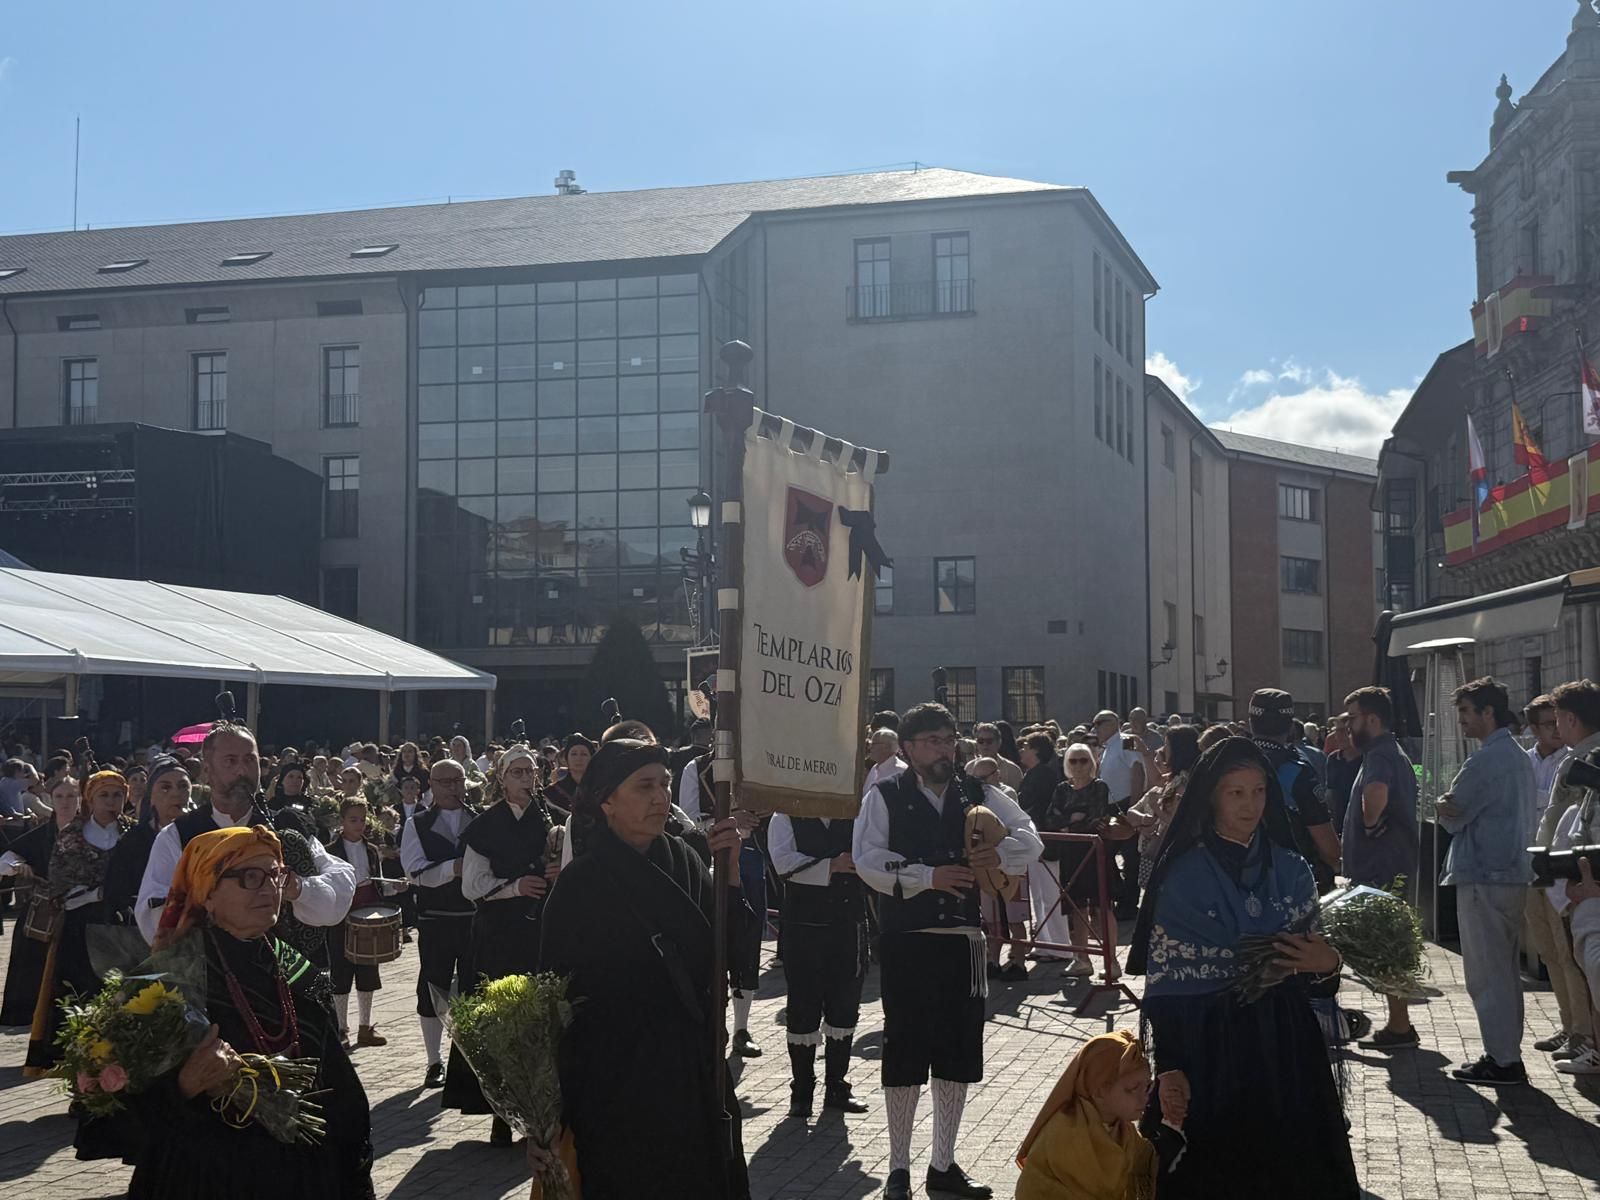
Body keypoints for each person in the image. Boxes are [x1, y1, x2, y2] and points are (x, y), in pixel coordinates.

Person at [1127, 737, 1359, 1198]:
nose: (1249, 804)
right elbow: (1166, 986)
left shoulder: (1293, 869)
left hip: (1285, 1046)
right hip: (1208, 1049)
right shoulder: (1181, 877)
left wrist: (1329, 963)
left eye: (1258, 791)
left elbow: (1316, 980)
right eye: (1236, 792)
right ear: (1211, 796)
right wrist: (1169, 1065)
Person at [538, 738, 752, 1199]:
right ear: (607, 801)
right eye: (644, 786)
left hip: (694, 1071)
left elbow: (728, 955)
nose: (661, 797)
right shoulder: (580, 884)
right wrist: (547, 1115)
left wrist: (731, 874)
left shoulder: (687, 860)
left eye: (665, 784)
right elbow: (552, 1003)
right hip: (615, 1084)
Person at [853, 702, 1043, 1200]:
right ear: (908, 748)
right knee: (905, 1048)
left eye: (949, 739)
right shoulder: (884, 794)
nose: (944, 749)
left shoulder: (977, 792)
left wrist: (999, 852)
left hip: (963, 942)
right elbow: (867, 858)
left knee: (957, 1050)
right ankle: (898, 1168)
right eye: (932, 741)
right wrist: (926, 877)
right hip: (907, 940)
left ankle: (943, 1163)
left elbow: (1031, 838)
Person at [127, 825, 374, 1198]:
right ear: (208, 893)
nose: (269, 887)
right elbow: (121, 1109)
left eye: (275, 874)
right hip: (208, 1177)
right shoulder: (166, 980)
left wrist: (353, 1169)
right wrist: (183, 1087)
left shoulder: (295, 968)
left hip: (304, 1171)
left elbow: (337, 1082)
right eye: (250, 877)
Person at [134, 724, 356, 946]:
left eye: (250, 760)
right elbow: (152, 919)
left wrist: (297, 887)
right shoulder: (179, 835)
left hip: (283, 963)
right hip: (210, 963)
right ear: (208, 770)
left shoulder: (286, 826)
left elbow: (340, 887)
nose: (242, 771)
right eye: (230, 761)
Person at [444, 743, 556, 1143]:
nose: (525, 779)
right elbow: (472, 886)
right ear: (502, 779)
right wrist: (515, 887)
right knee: (500, 1018)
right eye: (517, 773)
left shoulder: (550, 819)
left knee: (538, 1020)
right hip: (498, 935)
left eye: (530, 772)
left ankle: (539, 1111)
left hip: (540, 932)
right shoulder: (485, 826)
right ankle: (499, 1115)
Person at [1432, 677, 1537, 1084]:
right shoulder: (1518, 756)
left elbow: (1454, 814)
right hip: (1512, 871)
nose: (1461, 720)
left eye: (1465, 712)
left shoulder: (1485, 760)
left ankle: (1503, 1058)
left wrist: (1441, 804)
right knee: (1504, 970)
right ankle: (1506, 1053)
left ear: (1487, 712)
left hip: (1484, 873)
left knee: (1487, 972)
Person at [767, 805, 870, 1119]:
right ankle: (801, 1091)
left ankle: (837, 1086)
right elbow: (782, 862)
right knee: (803, 1005)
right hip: (804, 926)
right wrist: (831, 865)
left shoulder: (855, 812)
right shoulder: (785, 815)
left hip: (848, 922)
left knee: (845, 1003)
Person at [27, 770, 129, 1074]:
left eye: (117, 795)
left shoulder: (132, 833)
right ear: (90, 800)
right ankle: (81, 1071)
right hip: (80, 930)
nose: (111, 802)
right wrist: (98, 894)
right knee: (81, 996)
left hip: (122, 929)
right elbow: (61, 891)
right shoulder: (72, 834)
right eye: (104, 795)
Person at [1013, 1030, 1186, 1200]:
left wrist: (1173, 1140)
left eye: (1147, 1086)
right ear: (1099, 1091)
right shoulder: (1069, 1134)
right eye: (1133, 1089)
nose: (1145, 1097)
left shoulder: (1121, 1127)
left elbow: (1145, 1159)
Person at [1341, 686, 1421, 1050]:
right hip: (1390, 862)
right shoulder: (1390, 751)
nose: (1348, 726)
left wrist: (1370, 826)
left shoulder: (1380, 754)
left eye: (1352, 718)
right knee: (1387, 944)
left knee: (1385, 944)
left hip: (1381, 865)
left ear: (1372, 719)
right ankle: (1399, 1023)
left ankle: (1400, 1026)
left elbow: (1375, 794)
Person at [1534, 680, 1600, 1072]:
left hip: (1582, 879)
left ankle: (1586, 1038)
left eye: (1557, 718)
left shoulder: (1588, 759)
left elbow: (1573, 821)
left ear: (1571, 718)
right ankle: (1579, 1033)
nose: (1556, 726)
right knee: (1568, 957)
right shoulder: (1579, 756)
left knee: (1582, 960)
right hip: (1568, 874)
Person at [400, 756, 478, 1089]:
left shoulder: (480, 819)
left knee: (475, 986)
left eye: (458, 781)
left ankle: (472, 1060)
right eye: (445, 782)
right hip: (436, 919)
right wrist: (452, 869)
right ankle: (434, 1061)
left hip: (474, 918)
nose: (452, 788)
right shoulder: (417, 823)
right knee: (433, 986)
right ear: (431, 785)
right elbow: (414, 871)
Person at [0, 776, 81, 1025]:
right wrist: (19, 866)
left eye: (71, 796)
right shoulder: (42, 834)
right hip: (43, 911)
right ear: (51, 799)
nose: (65, 802)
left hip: (81, 912)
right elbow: (6, 859)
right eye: (59, 796)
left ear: (80, 799)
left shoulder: (91, 832)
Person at [326, 798, 406, 1049]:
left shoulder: (371, 850)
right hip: (341, 918)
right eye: (353, 820)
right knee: (340, 973)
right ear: (342, 821)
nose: (359, 825)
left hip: (368, 915)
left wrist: (395, 887)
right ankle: (341, 1028)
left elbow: (377, 884)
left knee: (368, 973)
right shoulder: (330, 851)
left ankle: (365, 1027)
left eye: (362, 820)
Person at [1028, 743, 1112, 976]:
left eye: (1083, 760)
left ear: (1091, 763)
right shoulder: (1062, 789)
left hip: (1093, 853)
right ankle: (1082, 959)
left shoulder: (1099, 787)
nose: (1078, 765)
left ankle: (1111, 961)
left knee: (1102, 907)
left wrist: (1069, 823)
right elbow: (1050, 818)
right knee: (1076, 907)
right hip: (1069, 854)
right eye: (1073, 760)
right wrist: (1072, 821)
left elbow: (1096, 818)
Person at [1247, 688, 1340, 892]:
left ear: (1250, 722)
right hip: (1292, 885)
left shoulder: (1231, 766)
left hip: (1236, 883)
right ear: (1290, 727)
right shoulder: (1297, 772)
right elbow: (1330, 849)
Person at [104, 756, 191, 925]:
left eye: (182, 786)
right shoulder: (133, 841)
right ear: (151, 798)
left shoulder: (203, 834)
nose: (175, 793)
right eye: (165, 787)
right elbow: (116, 893)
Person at [545, 733, 595, 820]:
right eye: (574, 754)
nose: (578, 758)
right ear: (566, 758)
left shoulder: (600, 789)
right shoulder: (552, 792)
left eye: (584, 754)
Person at [972, 723, 1023, 791]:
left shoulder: (1013, 770)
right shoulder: (969, 768)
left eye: (989, 741)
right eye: (981, 741)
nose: (985, 744)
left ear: (999, 742)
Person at [863, 727, 910, 797]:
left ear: (886, 747)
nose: (870, 747)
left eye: (873, 744)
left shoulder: (901, 772)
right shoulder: (874, 768)